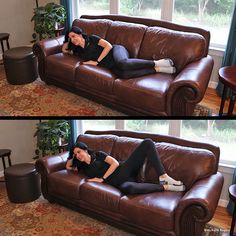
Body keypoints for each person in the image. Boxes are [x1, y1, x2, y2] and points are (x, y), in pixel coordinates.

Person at [66, 139, 185, 195]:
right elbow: (68, 166)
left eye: (79, 151)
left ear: (86, 150)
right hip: (119, 183)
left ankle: (163, 176)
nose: (78, 155)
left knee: (147, 143)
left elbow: (115, 163)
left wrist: (102, 179)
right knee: (130, 189)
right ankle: (166, 187)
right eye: (76, 154)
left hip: (122, 170)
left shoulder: (98, 154)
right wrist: (72, 155)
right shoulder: (82, 167)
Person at [62, 26, 176, 79]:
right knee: (123, 74)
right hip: (109, 64)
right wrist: (68, 39)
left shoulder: (92, 38)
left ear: (80, 33)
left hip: (115, 51)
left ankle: (157, 62)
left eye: (74, 36)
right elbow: (64, 50)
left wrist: (96, 61)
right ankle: (158, 69)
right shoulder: (77, 50)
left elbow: (108, 46)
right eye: (70, 38)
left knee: (123, 63)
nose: (73, 39)